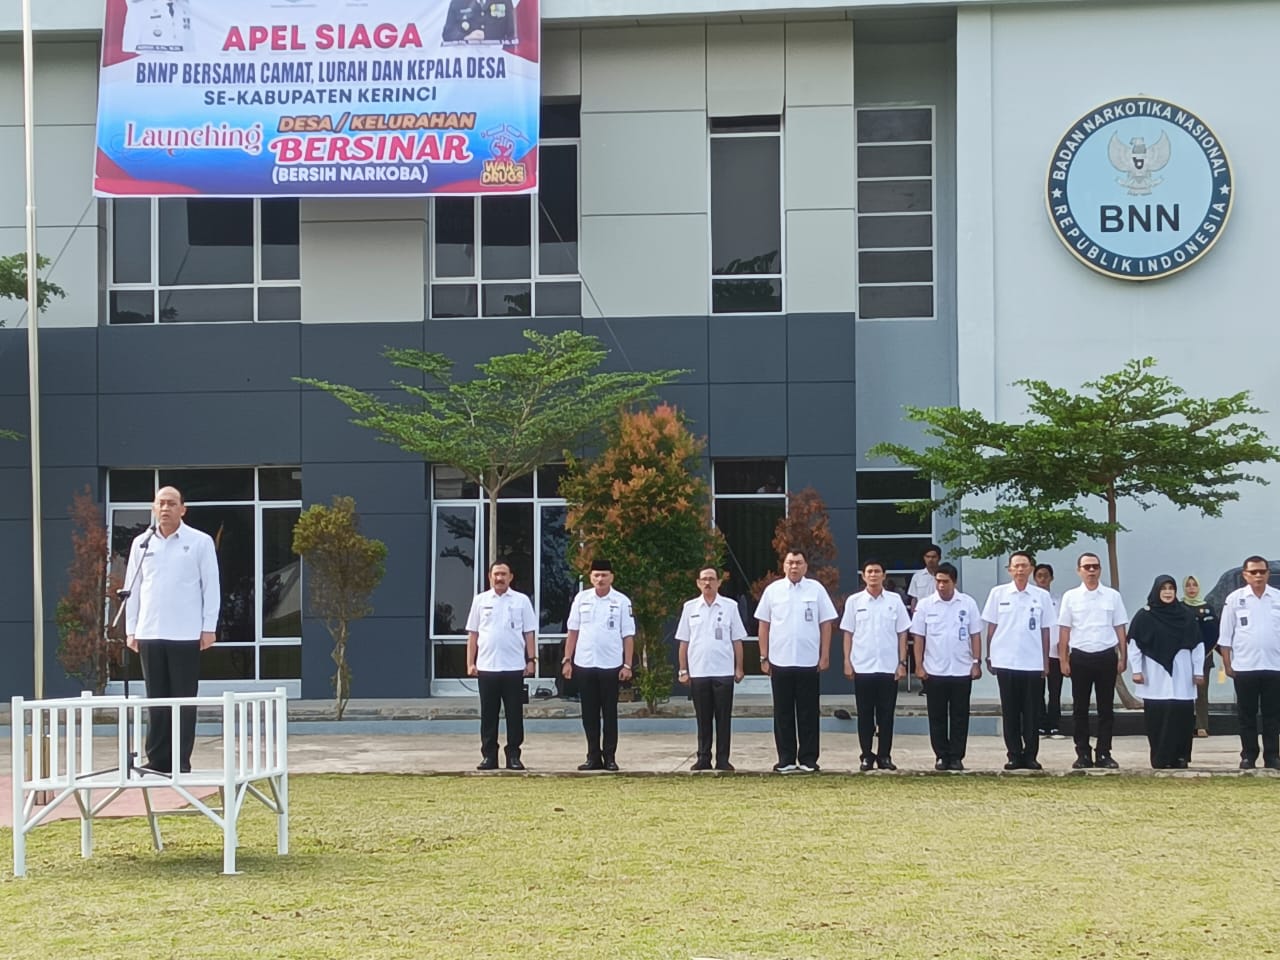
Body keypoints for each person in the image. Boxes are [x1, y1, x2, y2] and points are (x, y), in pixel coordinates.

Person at [124, 486, 220, 775]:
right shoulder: (142, 544)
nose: (165, 508)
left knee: (183, 700)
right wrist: (131, 629)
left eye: (171, 503)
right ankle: (157, 760)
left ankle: (180, 760)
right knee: (156, 700)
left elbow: (211, 586)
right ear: (154, 508)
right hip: (150, 632)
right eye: (161, 503)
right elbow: (133, 588)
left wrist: (209, 627)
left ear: (182, 509)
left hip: (185, 633)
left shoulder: (200, 542)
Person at [756, 548, 838, 773]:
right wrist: (763, 656)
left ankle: (809, 759)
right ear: (784, 566)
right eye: (790, 562)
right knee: (782, 712)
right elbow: (763, 625)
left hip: (808, 661)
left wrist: (825, 654)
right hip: (779, 661)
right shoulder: (773, 591)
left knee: (808, 712)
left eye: (798, 562)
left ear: (805, 566)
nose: (794, 566)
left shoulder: (816, 589)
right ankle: (786, 759)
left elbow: (826, 623)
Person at [562, 559, 636, 771]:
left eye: (604, 575)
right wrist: (567, 660)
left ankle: (610, 757)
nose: (600, 579)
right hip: (585, 663)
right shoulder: (581, 599)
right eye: (596, 575)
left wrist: (627, 665)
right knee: (589, 714)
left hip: (611, 665)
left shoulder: (621, 601)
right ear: (590, 577)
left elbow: (628, 635)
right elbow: (573, 631)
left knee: (610, 713)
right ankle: (593, 756)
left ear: (612, 577)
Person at [982, 551, 1053, 770]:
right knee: (1010, 710)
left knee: (1032, 712)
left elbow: (1045, 631)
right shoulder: (998, 593)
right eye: (1016, 566)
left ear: (1031, 568)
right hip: (1005, 660)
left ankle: (1030, 755)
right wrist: (989, 655)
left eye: (1024, 565)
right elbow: (991, 628)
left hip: (1032, 662)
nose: (1020, 570)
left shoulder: (1041, 596)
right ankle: (1013, 754)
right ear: (1010, 570)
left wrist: (1045, 661)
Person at [1058, 552, 1128, 770]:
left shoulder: (1112, 596)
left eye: (1095, 567)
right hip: (1080, 656)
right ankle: (1083, 753)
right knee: (1080, 708)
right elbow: (1064, 630)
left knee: (1106, 709)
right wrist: (1063, 659)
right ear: (1078, 570)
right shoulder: (1070, 597)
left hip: (1106, 655)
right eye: (1086, 567)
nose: (1091, 571)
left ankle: (1104, 752)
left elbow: (1120, 628)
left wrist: (1123, 657)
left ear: (1100, 570)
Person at [910, 562, 982, 771]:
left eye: (945, 581)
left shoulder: (967, 603)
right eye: (938, 581)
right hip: (935, 670)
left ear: (954, 582)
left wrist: (976, 662)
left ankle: (957, 756)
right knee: (937, 715)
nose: (941, 585)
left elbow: (975, 635)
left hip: (961, 669)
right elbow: (918, 637)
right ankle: (941, 755)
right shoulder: (925, 605)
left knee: (960, 716)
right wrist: (919, 665)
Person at [465, 561, 538, 770]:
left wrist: (531, 660)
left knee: (514, 714)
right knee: (488, 715)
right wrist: (470, 663)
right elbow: (473, 634)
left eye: (503, 574)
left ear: (510, 577)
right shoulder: (480, 600)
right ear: (490, 577)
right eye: (496, 574)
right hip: (487, 667)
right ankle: (489, 756)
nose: (499, 578)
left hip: (514, 667)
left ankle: (514, 755)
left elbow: (529, 633)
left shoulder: (521, 601)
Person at [1128, 575, 1205, 769]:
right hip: (1154, 675)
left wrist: (1198, 671)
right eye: (1164, 588)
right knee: (1158, 718)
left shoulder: (1185, 615)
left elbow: (1198, 644)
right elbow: (1134, 645)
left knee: (1182, 717)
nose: (1168, 592)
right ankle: (1160, 758)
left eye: (1171, 588)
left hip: (1183, 674)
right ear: (1156, 591)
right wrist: (1136, 671)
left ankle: (1180, 757)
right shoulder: (1145, 616)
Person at [840, 558, 910, 771]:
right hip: (863, 666)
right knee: (865, 714)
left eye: (877, 571)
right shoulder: (854, 601)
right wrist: (847, 661)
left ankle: (885, 755)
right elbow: (848, 633)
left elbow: (902, 633)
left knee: (886, 714)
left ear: (884, 575)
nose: (873, 575)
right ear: (863, 576)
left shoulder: (894, 601)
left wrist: (902, 662)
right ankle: (866, 755)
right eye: (869, 571)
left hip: (888, 667)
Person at [675, 566, 748, 771]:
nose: (708, 583)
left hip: (723, 672)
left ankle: (723, 759)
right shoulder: (690, 607)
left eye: (711, 579)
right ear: (698, 583)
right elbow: (683, 641)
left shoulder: (730, 606)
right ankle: (703, 757)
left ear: (719, 582)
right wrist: (683, 670)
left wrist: (739, 667)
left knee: (723, 719)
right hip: (698, 672)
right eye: (704, 579)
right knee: (703, 718)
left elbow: (737, 640)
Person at [1216, 556, 1280, 770]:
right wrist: (1227, 664)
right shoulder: (1235, 599)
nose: (1258, 576)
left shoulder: (1277, 598)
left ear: (1268, 574)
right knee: (1247, 715)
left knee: (1273, 715)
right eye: (1253, 572)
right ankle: (1248, 755)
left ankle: (1272, 756)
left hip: (1274, 666)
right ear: (1245, 575)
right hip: (1245, 667)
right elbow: (1225, 636)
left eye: (1262, 571)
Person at [1181, 575, 1217, 738]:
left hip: (1205, 656)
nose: (1191, 588)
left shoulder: (1208, 608)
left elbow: (1214, 633)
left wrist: (1203, 653)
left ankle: (1202, 725)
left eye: (1194, 585)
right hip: (1183, 656)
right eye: (1188, 585)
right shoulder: (1179, 607)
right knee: (1183, 692)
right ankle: (1184, 725)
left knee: (1201, 693)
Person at [1034, 563, 1064, 737]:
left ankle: (1054, 724)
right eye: (1039, 575)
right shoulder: (1032, 599)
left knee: (1055, 690)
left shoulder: (1059, 600)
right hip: (1036, 652)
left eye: (1046, 575)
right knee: (1037, 691)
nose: (1043, 579)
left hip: (1055, 651)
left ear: (1051, 578)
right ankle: (1039, 723)